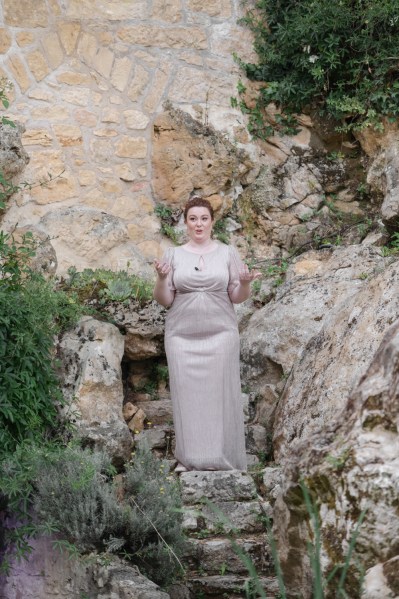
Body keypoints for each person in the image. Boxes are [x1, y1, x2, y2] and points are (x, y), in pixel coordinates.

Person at [153, 196, 261, 472]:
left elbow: (237, 297)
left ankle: (221, 455)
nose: (198, 224)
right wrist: (162, 279)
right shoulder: (173, 254)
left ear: (212, 221)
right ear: (185, 223)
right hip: (181, 336)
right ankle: (189, 458)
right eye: (193, 219)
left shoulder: (227, 253)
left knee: (219, 395)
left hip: (221, 333)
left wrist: (246, 284)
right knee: (186, 396)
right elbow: (165, 300)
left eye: (203, 218)